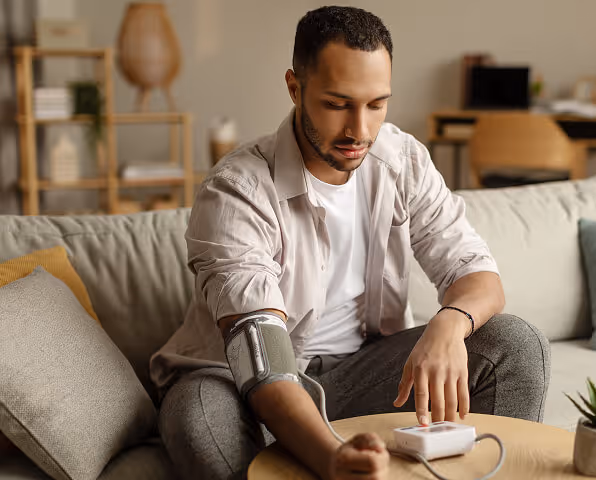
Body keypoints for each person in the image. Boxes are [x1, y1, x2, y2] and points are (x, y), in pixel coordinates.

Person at [151, 6, 550, 480]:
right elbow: (263, 364)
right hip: (236, 382)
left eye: (376, 104)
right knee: (198, 420)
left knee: (516, 344)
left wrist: (450, 321)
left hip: (357, 372)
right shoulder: (236, 190)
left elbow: (478, 276)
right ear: (295, 88)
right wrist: (331, 460)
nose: (360, 131)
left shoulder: (402, 161)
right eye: (338, 104)